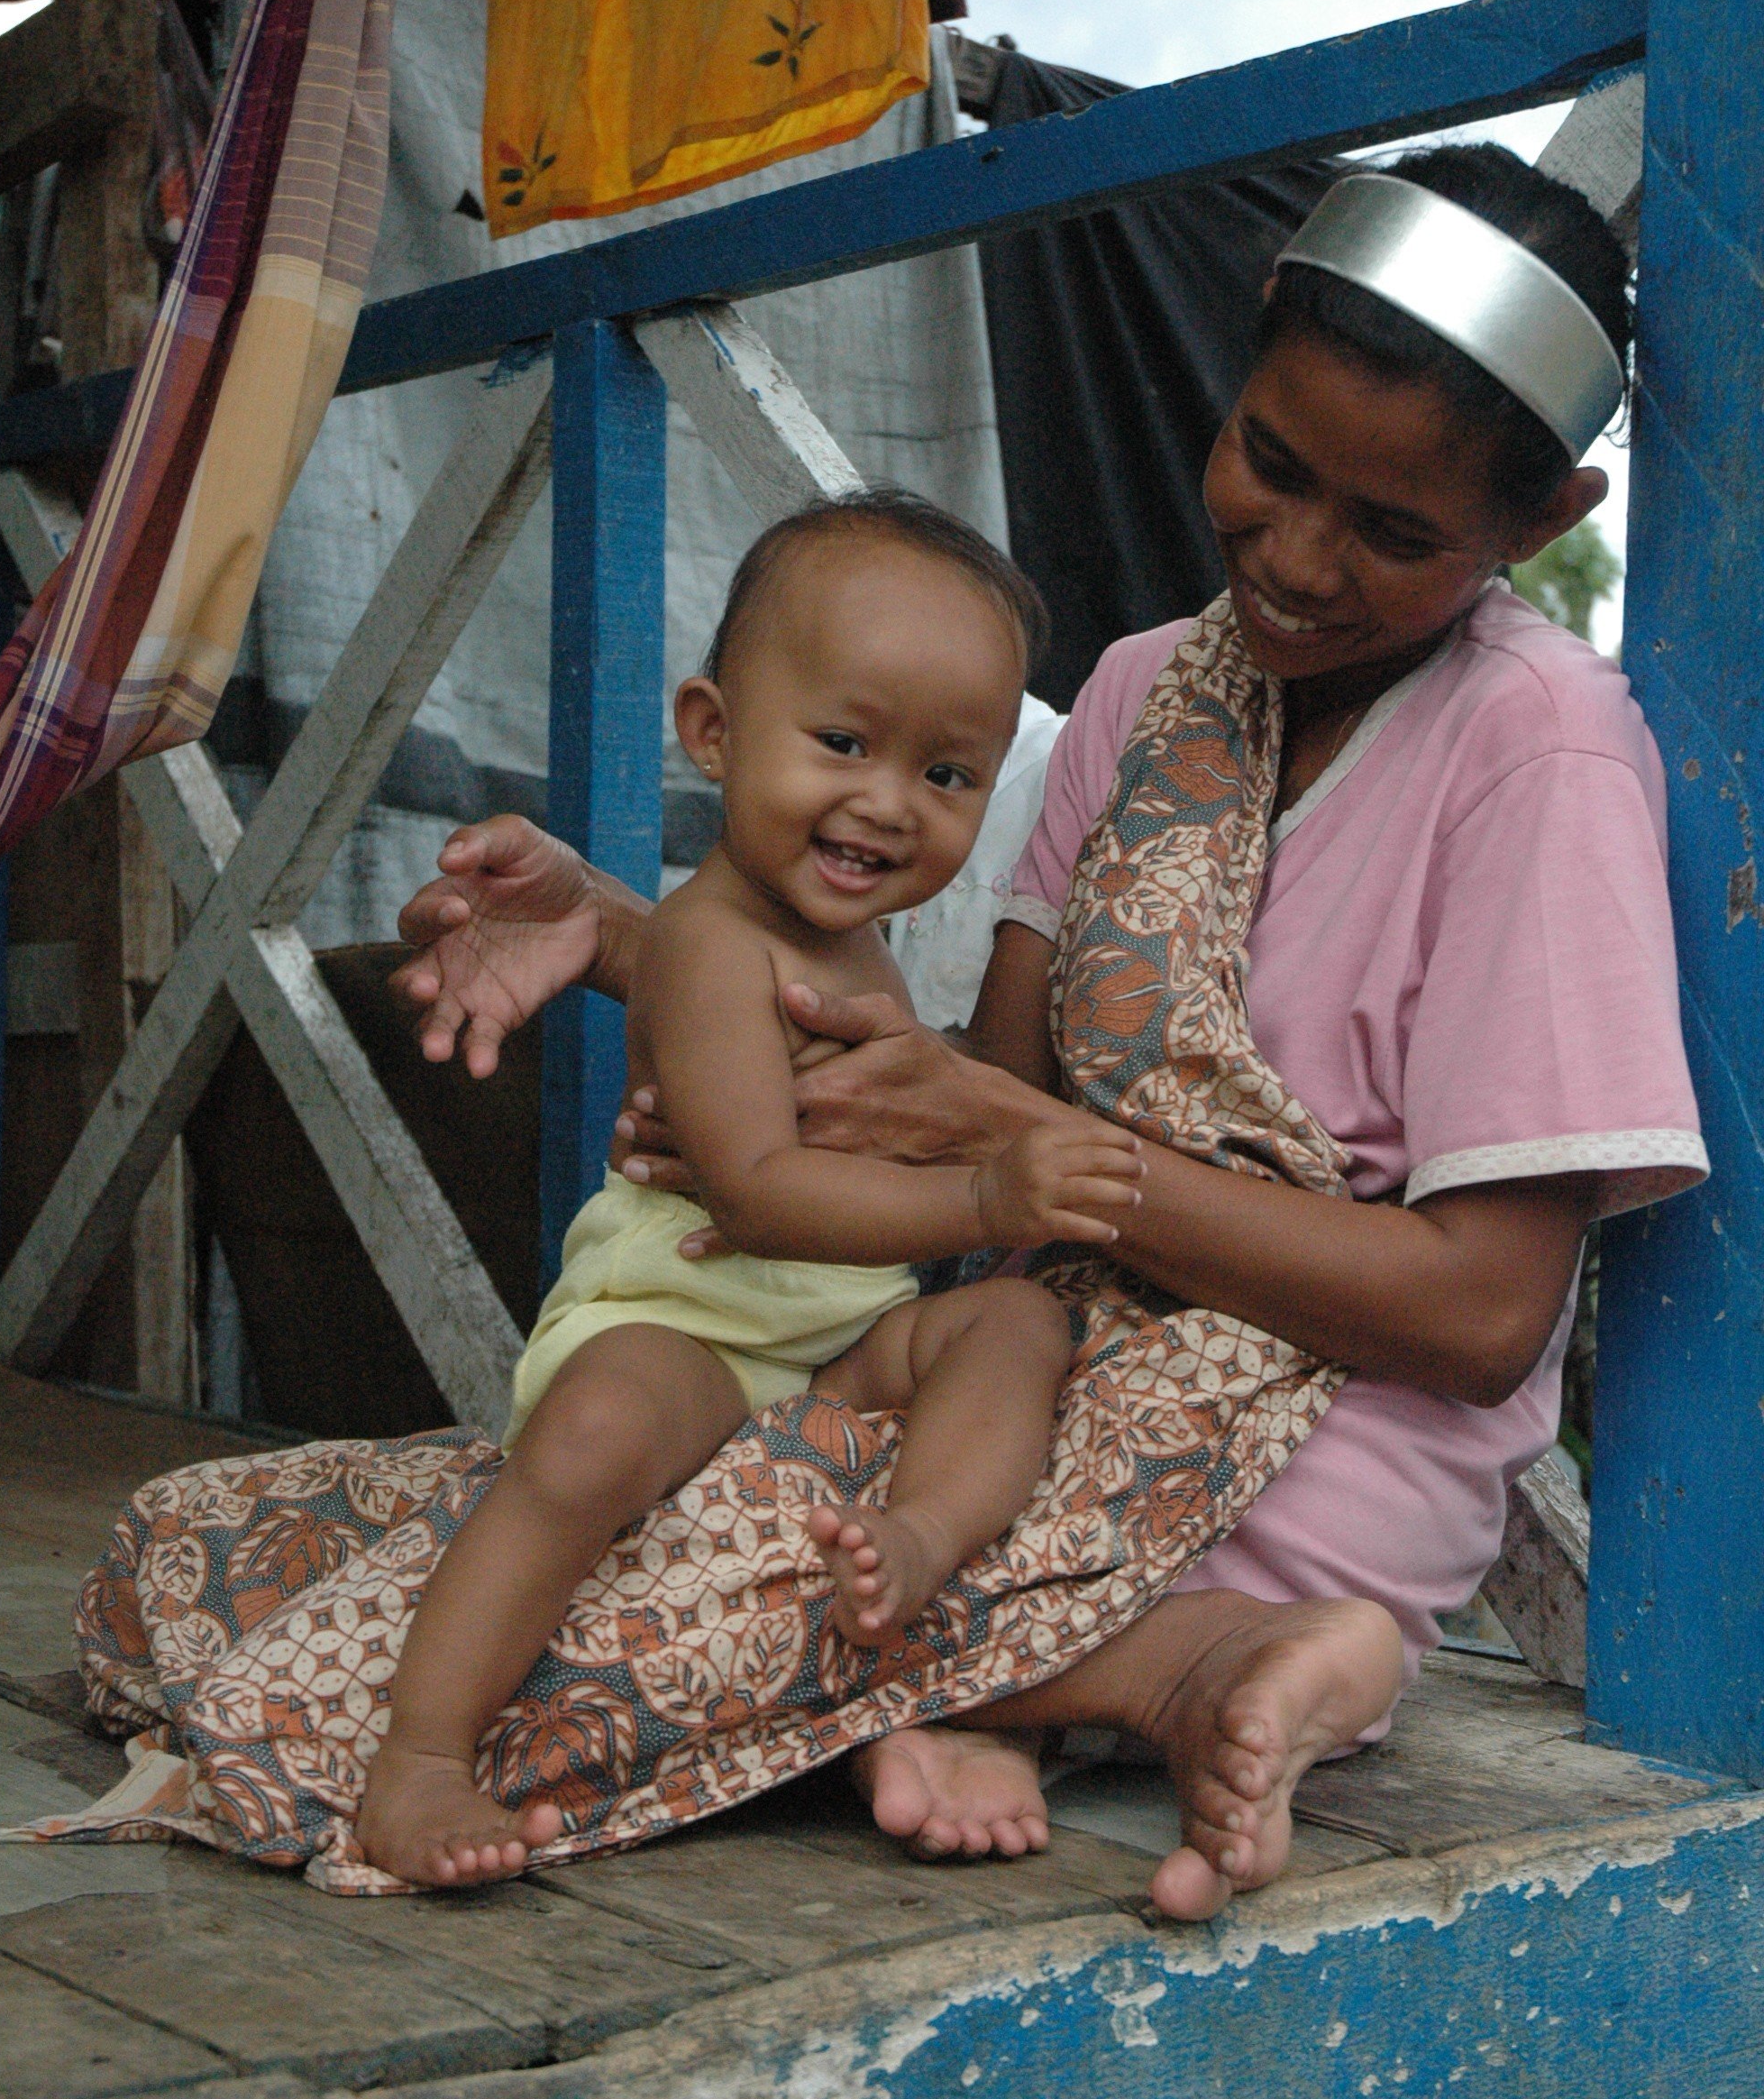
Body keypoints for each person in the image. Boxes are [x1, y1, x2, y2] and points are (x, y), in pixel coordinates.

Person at [390, 144, 1705, 1920]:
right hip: (1032, 1382)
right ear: (1242, 357)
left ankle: (1199, 1665)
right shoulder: (1142, 688)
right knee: (551, 1544)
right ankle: (1040, 1697)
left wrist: (1025, 1160)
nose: (1300, 560)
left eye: (1394, 531)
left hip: (1325, 1433)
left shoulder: (1534, 749)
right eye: (1271, 463)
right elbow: (990, 1106)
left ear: (1543, 521)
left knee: (601, 1639)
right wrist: (648, 954)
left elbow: (1478, 1319)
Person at [358, 491, 1147, 1887]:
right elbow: (768, 1196)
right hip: (697, 1325)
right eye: (841, 742)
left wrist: (978, 1179)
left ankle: (917, 1542)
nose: (886, 803)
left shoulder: (855, 944)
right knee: (595, 1437)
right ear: (713, 732)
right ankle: (422, 1757)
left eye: (948, 775)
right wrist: (989, 1196)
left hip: (834, 1338)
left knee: (1019, 1332)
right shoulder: (714, 944)